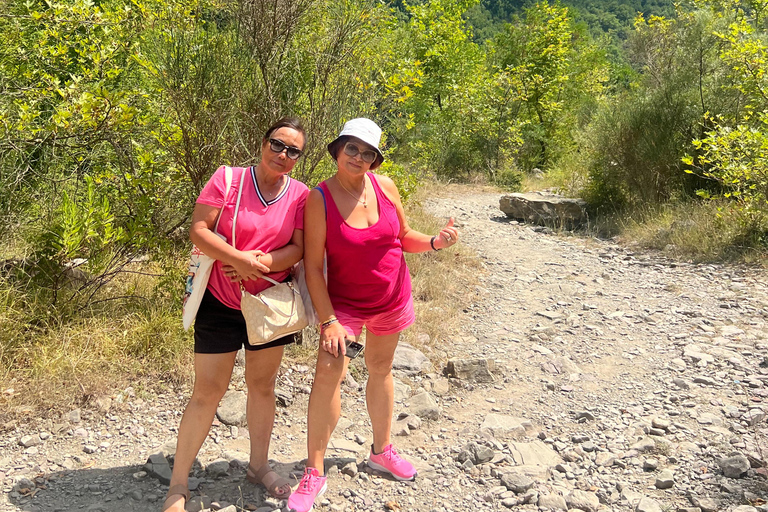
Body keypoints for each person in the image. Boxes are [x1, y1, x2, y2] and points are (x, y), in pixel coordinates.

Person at [287, 118, 459, 512]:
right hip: (343, 304)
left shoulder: (385, 187)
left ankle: (382, 451)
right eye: (352, 148)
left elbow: (403, 237)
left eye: (368, 153)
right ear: (338, 149)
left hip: (391, 296)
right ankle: (315, 470)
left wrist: (435, 242)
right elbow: (313, 267)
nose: (358, 157)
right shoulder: (320, 199)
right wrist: (328, 321)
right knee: (329, 372)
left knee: (380, 369)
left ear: (375, 161)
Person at [163, 118, 309, 511]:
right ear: (262, 143)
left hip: (268, 306)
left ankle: (258, 466)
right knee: (207, 392)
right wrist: (238, 259)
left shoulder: (300, 195)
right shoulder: (228, 179)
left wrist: (258, 264)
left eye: (293, 151)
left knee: (263, 386)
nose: (283, 155)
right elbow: (199, 230)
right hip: (220, 303)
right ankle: (178, 485)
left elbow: (297, 248)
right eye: (278, 145)